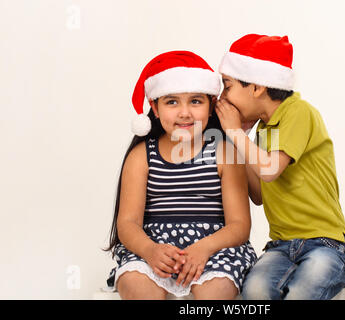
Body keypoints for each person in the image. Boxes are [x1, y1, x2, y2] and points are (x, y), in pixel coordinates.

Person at [104, 51, 257, 300]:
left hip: (215, 248)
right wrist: (150, 249)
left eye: (196, 101)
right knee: (134, 282)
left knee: (216, 290)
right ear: (154, 107)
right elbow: (127, 223)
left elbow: (239, 225)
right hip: (156, 247)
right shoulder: (142, 156)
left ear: (211, 107)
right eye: (172, 102)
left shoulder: (224, 152)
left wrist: (204, 248)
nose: (184, 113)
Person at [215, 34, 345, 300]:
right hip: (281, 247)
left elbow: (269, 169)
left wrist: (236, 133)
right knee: (254, 291)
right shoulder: (265, 129)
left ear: (256, 87)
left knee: (302, 292)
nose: (223, 97)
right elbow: (258, 193)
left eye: (228, 86)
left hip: (326, 244)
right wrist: (235, 140)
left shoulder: (298, 111)